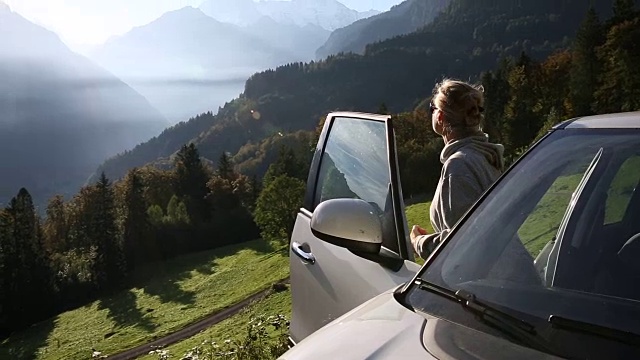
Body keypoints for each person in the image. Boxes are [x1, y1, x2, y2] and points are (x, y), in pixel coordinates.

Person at [410, 79, 505, 259]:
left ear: (440, 117)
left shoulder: (459, 166)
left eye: (433, 108)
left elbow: (462, 247)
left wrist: (419, 243)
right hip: (510, 272)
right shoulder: (486, 157)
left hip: (494, 281)